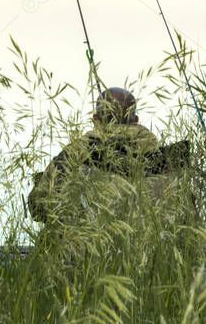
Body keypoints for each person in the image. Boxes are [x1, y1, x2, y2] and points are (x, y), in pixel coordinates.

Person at [27, 87, 192, 225]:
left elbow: (38, 208)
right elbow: (188, 214)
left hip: (86, 259)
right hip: (156, 260)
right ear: (135, 120)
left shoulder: (75, 154)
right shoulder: (169, 159)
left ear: (96, 119)